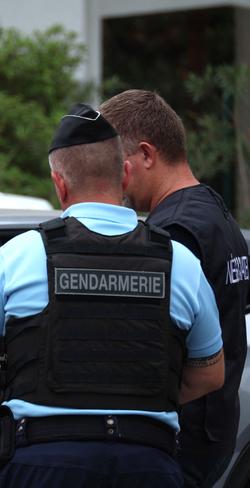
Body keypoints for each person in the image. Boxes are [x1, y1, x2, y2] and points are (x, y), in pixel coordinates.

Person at [0, 103, 225, 488]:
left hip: (44, 463)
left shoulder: (21, 254)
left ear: (59, 183)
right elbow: (211, 373)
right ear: (126, 174)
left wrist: (25, 386)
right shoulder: (179, 260)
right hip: (148, 464)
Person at [100, 89, 250, 487]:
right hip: (213, 429)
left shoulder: (173, 233)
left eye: (117, 163)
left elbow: (149, 349)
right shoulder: (216, 212)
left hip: (180, 438)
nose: (116, 179)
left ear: (147, 154)